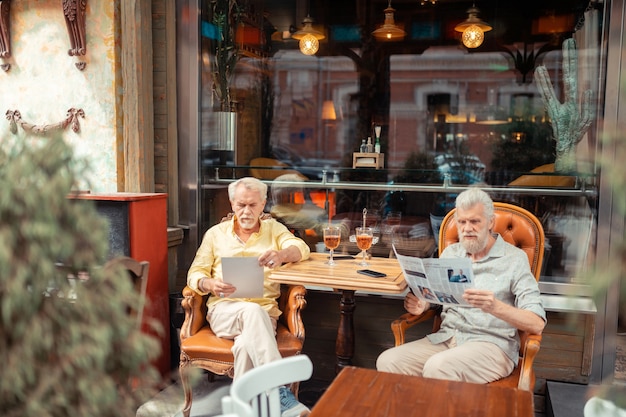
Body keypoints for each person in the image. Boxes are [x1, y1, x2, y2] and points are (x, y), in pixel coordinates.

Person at [377, 187, 546, 384]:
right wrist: (424, 304)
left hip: (491, 346)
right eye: (462, 222)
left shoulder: (514, 259)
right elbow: (441, 295)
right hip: (447, 338)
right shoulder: (451, 253)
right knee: (388, 361)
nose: (467, 228)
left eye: (474, 221)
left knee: (438, 367)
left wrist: (495, 307)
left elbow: (537, 323)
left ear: (490, 222)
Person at [187, 177, 311, 417]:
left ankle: (242, 411)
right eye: (241, 204)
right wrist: (209, 283)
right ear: (232, 203)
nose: (246, 211)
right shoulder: (215, 234)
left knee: (245, 345)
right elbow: (195, 274)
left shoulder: (274, 230)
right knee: (251, 312)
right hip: (224, 312)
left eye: (252, 205)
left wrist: (282, 254)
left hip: (264, 317)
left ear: (263, 204)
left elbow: (301, 248)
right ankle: (278, 391)